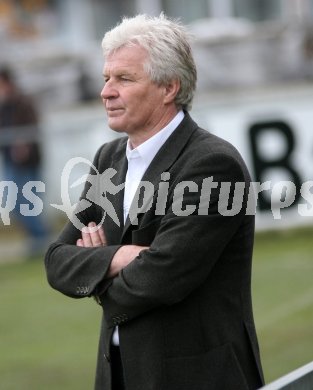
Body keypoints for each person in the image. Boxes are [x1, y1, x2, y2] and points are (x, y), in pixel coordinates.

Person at [45, 14, 264, 390]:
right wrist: (119, 257)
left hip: (197, 377)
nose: (106, 92)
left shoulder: (212, 164)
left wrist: (96, 270)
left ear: (169, 87)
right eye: (106, 78)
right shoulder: (108, 158)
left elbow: (162, 279)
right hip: (118, 374)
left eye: (124, 79)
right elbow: (57, 260)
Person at [0, 65, 48, 256]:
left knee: (29, 203)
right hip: (11, 162)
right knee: (13, 202)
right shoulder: (5, 105)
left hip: (28, 163)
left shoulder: (22, 102)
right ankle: (37, 238)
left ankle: (40, 239)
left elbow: (32, 128)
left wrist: (23, 145)